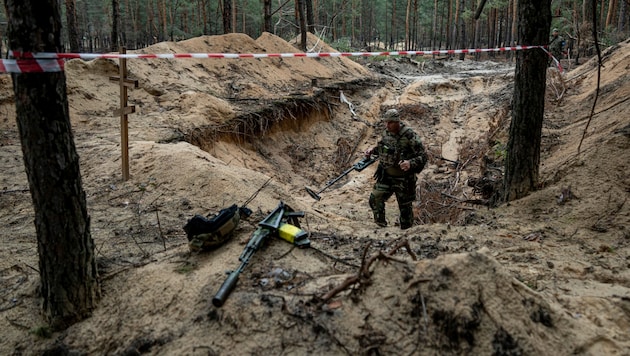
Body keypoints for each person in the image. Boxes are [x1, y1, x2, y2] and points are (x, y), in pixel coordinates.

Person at [365, 109, 427, 229]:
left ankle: (406, 232)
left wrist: (410, 163)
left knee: (405, 208)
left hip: (404, 179)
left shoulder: (409, 135)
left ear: (397, 122)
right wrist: (372, 150)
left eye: (390, 123)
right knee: (375, 198)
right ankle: (381, 227)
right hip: (386, 176)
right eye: (385, 122)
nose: (387, 125)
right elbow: (383, 147)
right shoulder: (386, 133)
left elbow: (423, 156)